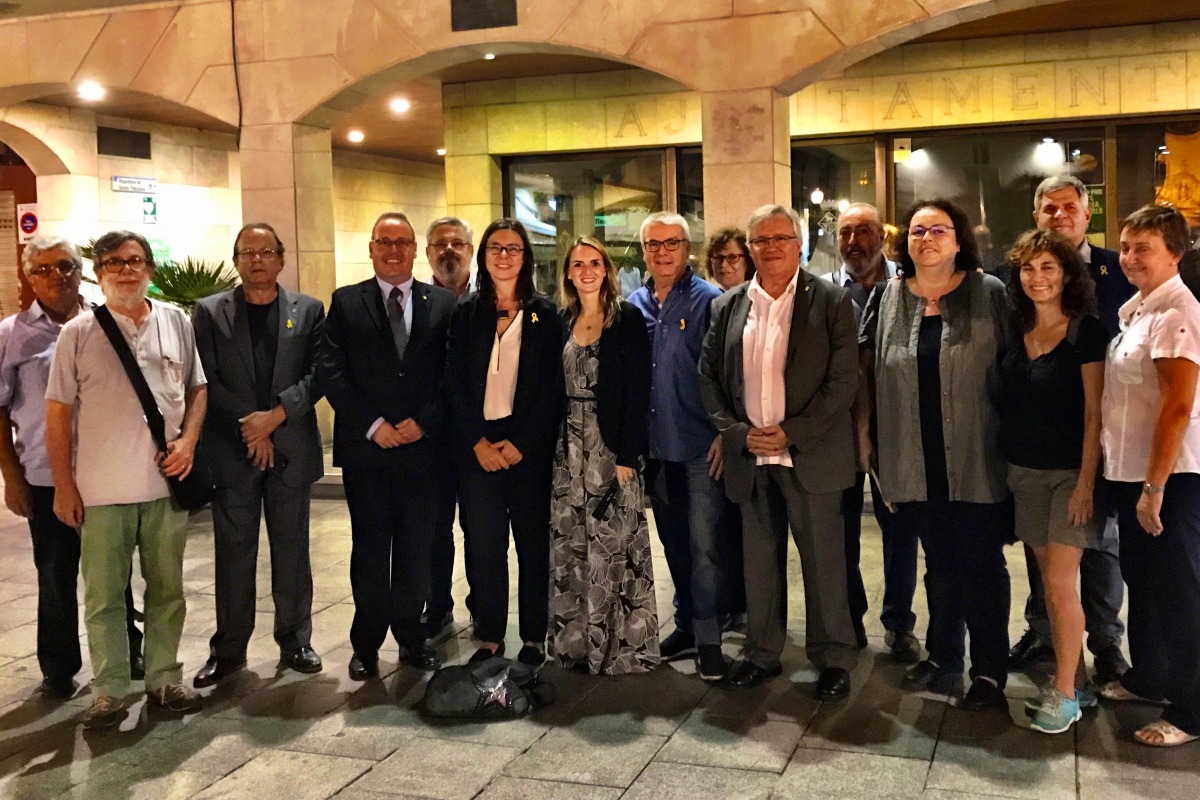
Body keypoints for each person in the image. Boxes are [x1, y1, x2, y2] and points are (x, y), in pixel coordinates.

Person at [45, 230, 207, 729]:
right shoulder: (77, 333)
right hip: (101, 491)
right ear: (98, 273)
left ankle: (163, 679)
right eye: (113, 262)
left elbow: (198, 388)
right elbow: (56, 415)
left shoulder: (176, 322)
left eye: (134, 260)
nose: (125, 270)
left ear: (150, 269)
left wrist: (188, 442)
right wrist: (64, 486)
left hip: (165, 488)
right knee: (104, 597)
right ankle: (110, 689)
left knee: (167, 591)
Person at [700, 204, 860, 700]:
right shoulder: (728, 306)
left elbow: (843, 382)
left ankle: (833, 658)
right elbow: (709, 379)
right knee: (759, 564)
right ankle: (761, 653)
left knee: (824, 563)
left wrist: (792, 432)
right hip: (750, 457)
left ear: (799, 244)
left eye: (781, 238)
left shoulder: (832, 301)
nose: (771, 248)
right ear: (750, 249)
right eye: (761, 240)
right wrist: (736, 433)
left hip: (809, 455)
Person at [860, 200, 1012, 711]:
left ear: (958, 238)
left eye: (938, 230)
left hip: (976, 454)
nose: (926, 238)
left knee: (982, 565)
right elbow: (868, 371)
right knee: (939, 563)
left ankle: (988, 670)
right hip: (913, 456)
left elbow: (1012, 367)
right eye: (917, 230)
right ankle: (944, 656)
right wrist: (866, 437)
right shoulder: (887, 297)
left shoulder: (989, 293)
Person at [0, 235, 144, 700]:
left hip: (105, 472)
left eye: (64, 266)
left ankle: (128, 651)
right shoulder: (10, 335)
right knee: (56, 573)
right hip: (45, 476)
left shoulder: (105, 321)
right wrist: (12, 477)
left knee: (116, 573)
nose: (56, 276)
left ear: (80, 271)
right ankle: (59, 666)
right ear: (29, 277)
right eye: (43, 269)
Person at [190, 223, 326, 687]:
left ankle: (295, 640)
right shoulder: (210, 312)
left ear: (281, 259)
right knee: (233, 553)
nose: (257, 260)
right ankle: (229, 650)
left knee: (292, 551)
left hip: (290, 448)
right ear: (236, 260)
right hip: (233, 449)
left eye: (266, 252)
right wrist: (252, 426)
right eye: (247, 253)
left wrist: (275, 416)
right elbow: (205, 377)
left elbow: (318, 374)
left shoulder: (309, 310)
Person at [1009, 175, 1132, 687]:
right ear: (1036, 215)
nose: (1059, 215)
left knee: (1099, 555)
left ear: (1086, 214)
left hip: (1092, 451)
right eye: (1049, 207)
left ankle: (1105, 644)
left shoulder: (1115, 269)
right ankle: (1050, 642)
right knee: (1047, 569)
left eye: (1069, 207)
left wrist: (1089, 476)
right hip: (1031, 460)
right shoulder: (1015, 305)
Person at [320, 211, 453, 680]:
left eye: (402, 242)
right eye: (384, 242)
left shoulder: (443, 304)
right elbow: (331, 371)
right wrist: (373, 425)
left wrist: (425, 422)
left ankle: (412, 639)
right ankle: (366, 643)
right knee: (370, 549)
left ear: (415, 250)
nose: (393, 250)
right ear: (371, 249)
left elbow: (454, 374)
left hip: (423, 452)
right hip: (368, 451)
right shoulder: (345, 302)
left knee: (417, 548)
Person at [998, 229, 1106, 734]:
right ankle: (1076, 681)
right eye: (1028, 268)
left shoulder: (1086, 332)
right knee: (1050, 587)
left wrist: (1086, 484)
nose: (1037, 277)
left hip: (1069, 477)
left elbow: (1094, 415)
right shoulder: (1016, 331)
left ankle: (1064, 696)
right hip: (1024, 474)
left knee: (1061, 585)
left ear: (1066, 274)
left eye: (1047, 267)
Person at [1100, 204, 1200, 748]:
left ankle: (1192, 709)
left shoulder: (1176, 314)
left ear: (1175, 254)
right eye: (1125, 246)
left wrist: (1154, 487)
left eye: (1144, 248)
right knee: (1147, 582)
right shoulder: (1139, 309)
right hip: (1133, 474)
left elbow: (1177, 407)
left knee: (1181, 590)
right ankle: (1151, 677)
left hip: (1170, 480)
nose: (1130, 257)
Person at [444, 219, 564, 667]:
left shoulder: (545, 314)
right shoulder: (466, 312)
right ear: (483, 256)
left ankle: (533, 636)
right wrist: (477, 441)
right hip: (478, 447)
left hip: (526, 448)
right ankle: (490, 635)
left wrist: (523, 442)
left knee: (533, 545)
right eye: (496, 247)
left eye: (513, 248)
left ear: (526, 257)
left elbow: (553, 387)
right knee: (484, 545)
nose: (504, 256)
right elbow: (453, 382)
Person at [549, 236, 659, 674]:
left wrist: (629, 453)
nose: (587, 271)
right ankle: (577, 644)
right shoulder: (561, 319)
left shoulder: (626, 318)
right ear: (568, 273)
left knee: (616, 544)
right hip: (567, 447)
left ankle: (620, 647)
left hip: (610, 446)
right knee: (573, 542)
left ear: (606, 270)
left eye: (595, 263)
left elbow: (639, 389)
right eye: (578, 264)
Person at [627, 212, 729, 680]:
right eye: (654, 244)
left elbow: (728, 373)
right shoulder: (632, 305)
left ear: (687, 249)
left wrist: (725, 433)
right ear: (643, 252)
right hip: (655, 450)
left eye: (672, 243)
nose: (662, 252)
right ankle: (686, 624)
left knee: (706, 546)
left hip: (701, 446)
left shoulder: (711, 301)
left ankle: (709, 639)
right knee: (673, 545)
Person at [825, 202, 920, 663]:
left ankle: (899, 624)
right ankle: (850, 616)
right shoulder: (824, 292)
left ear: (882, 236)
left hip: (896, 428)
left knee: (899, 531)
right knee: (840, 531)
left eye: (863, 231)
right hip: (836, 432)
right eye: (845, 233)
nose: (853, 242)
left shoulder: (909, 286)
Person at [423, 216, 475, 641]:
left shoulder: (492, 299)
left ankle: (484, 607)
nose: (449, 251)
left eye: (457, 243)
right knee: (435, 529)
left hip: (478, 438)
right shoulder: (416, 301)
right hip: (431, 440)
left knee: (480, 530)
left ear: (471, 251)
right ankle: (437, 606)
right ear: (428, 253)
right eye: (440, 245)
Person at [701, 227, 753, 632]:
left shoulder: (753, 302)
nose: (725, 264)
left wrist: (727, 433)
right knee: (725, 531)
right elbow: (709, 375)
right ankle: (733, 606)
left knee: (747, 530)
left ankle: (750, 609)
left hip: (748, 434)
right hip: (719, 432)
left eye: (733, 256)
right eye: (718, 258)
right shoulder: (714, 303)